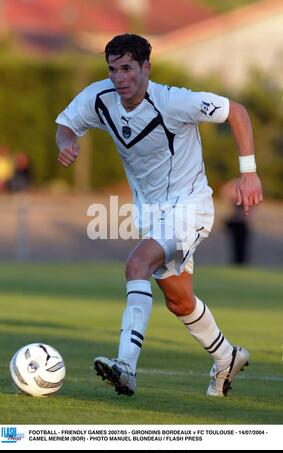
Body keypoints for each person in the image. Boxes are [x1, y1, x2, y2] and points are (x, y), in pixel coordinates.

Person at [55, 33, 263, 398]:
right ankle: (226, 357)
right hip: (150, 213)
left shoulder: (174, 101)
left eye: (127, 69)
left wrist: (248, 172)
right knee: (179, 300)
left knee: (137, 265)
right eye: (113, 69)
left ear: (146, 68)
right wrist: (67, 142)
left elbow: (237, 112)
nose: (119, 78)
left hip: (190, 206)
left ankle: (126, 367)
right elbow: (66, 124)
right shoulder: (99, 97)